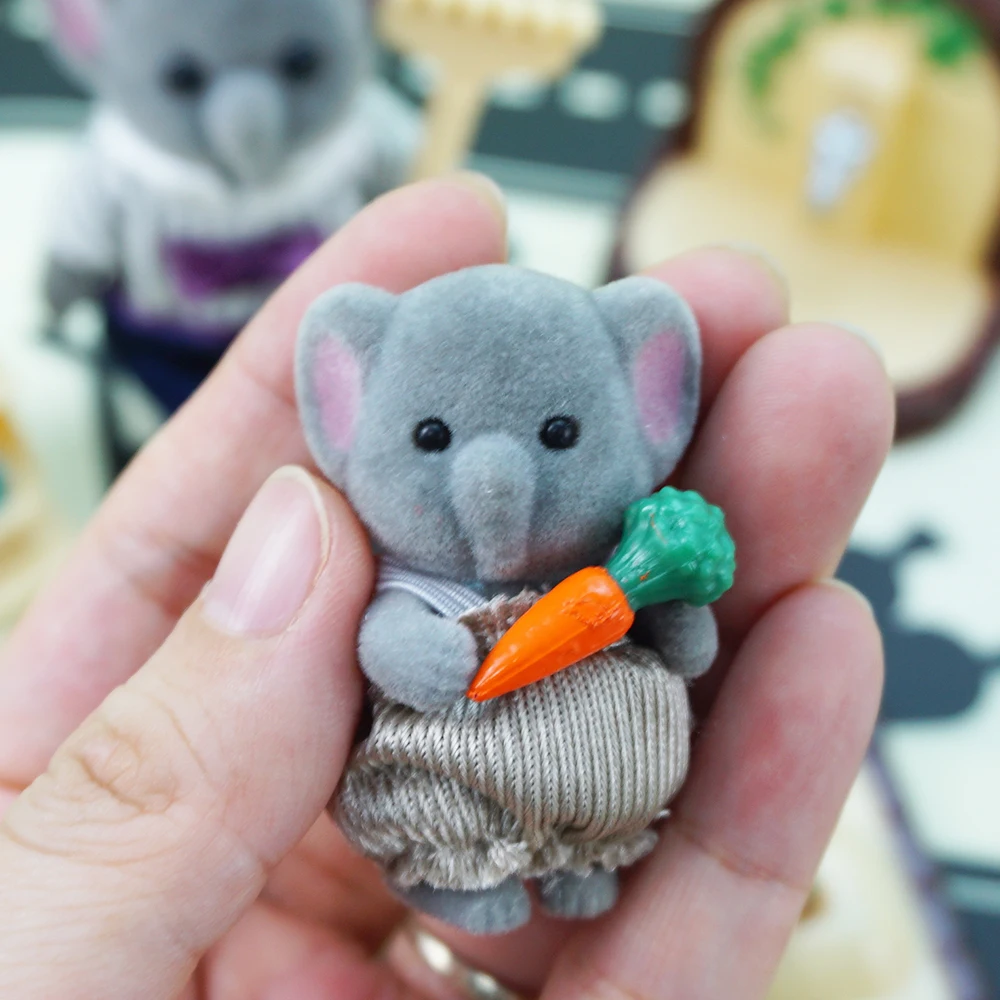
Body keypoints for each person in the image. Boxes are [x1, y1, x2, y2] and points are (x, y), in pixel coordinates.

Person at [0, 173, 892, 1000]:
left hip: (599, 775)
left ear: (653, 403)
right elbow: (385, 637)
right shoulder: (403, 581)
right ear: (343, 414)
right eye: (431, 437)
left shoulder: (616, 566)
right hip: (455, 772)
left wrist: (674, 617)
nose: (495, 481)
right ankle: (458, 874)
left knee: (632, 785)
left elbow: (684, 648)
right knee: (427, 795)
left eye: (559, 433)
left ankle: (585, 858)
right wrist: (410, 652)